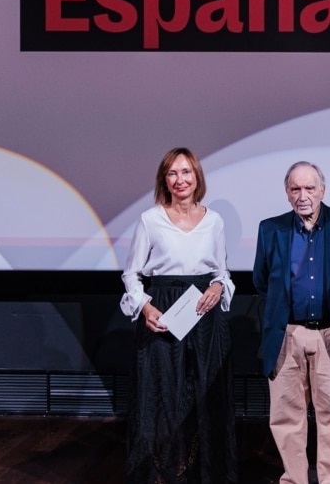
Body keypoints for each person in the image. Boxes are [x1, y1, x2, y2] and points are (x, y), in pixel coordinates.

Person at [119, 147, 237, 484]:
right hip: (164, 311)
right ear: (164, 180)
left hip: (204, 314)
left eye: (186, 172)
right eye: (173, 173)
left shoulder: (214, 220)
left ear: (197, 177)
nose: (180, 179)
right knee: (161, 397)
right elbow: (131, 275)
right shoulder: (150, 220)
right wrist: (145, 306)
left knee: (205, 395)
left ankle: (205, 474)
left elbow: (222, 271)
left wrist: (217, 286)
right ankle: (163, 475)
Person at [252, 161, 330, 484]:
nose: (303, 195)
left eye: (309, 188)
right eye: (295, 189)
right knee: (286, 417)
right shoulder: (270, 229)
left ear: (322, 190)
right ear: (287, 193)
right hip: (286, 336)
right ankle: (295, 479)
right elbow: (262, 282)